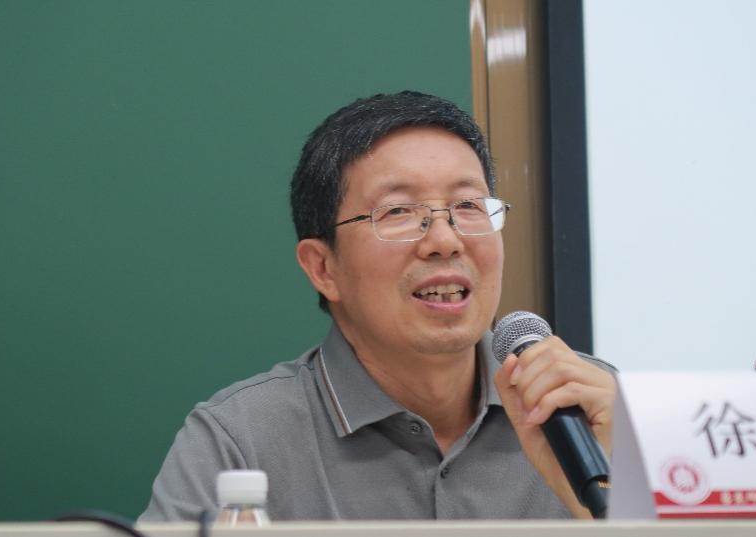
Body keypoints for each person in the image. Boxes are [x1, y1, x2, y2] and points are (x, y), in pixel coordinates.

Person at [138, 91, 616, 522]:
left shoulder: (594, 410)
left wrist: (610, 502)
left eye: (469, 206)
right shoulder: (239, 442)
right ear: (323, 267)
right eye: (398, 212)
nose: (445, 240)